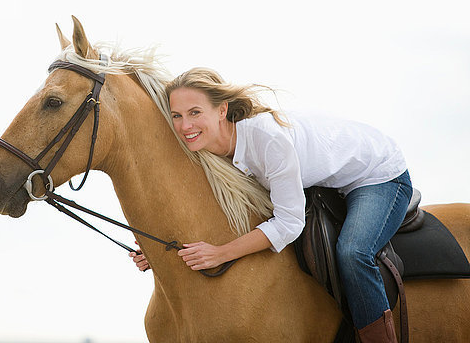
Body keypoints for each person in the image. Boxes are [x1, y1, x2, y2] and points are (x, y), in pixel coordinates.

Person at [129, 67, 412, 342]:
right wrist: (158, 253)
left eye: (194, 113)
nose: (185, 126)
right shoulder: (204, 148)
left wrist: (221, 253)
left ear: (222, 110)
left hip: (376, 174)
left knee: (353, 252)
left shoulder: (267, 139)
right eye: (177, 116)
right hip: (326, 179)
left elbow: (290, 222)